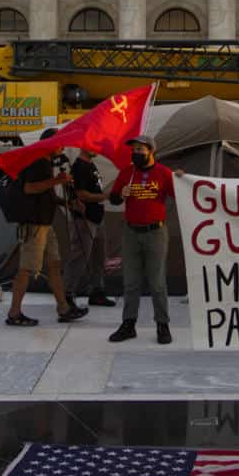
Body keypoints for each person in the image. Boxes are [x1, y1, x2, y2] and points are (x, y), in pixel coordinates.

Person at [5, 129, 86, 327]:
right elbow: (29, 188)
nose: (63, 147)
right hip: (35, 226)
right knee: (26, 269)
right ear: (50, 143)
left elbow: (45, 194)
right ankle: (14, 313)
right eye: (60, 143)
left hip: (45, 225)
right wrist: (58, 181)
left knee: (54, 265)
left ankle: (64, 309)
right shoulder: (38, 161)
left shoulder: (45, 163)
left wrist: (65, 202)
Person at [107, 135, 183, 345]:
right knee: (130, 283)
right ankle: (128, 325)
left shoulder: (163, 173)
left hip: (155, 233)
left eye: (141, 149)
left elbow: (182, 195)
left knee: (157, 283)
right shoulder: (127, 173)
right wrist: (120, 194)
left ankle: (162, 325)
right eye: (134, 150)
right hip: (131, 233)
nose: (136, 153)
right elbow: (113, 199)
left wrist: (182, 179)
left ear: (151, 151)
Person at [67, 147, 114, 307]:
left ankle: (97, 292)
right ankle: (68, 295)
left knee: (99, 257)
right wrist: (106, 196)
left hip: (97, 217)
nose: (97, 149)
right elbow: (81, 194)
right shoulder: (79, 166)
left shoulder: (91, 164)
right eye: (93, 145)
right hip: (85, 219)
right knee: (79, 257)